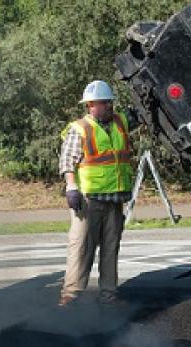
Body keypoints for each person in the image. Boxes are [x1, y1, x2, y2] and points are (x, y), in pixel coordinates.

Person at [58, 80, 137, 307]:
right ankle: (71, 296)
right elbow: (67, 161)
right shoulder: (80, 128)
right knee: (80, 247)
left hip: (114, 199)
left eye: (98, 104)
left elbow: (139, 115)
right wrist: (71, 186)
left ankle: (108, 296)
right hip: (88, 201)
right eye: (90, 104)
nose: (93, 108)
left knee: (110, 249)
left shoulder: (120, 122)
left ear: (109, 104)